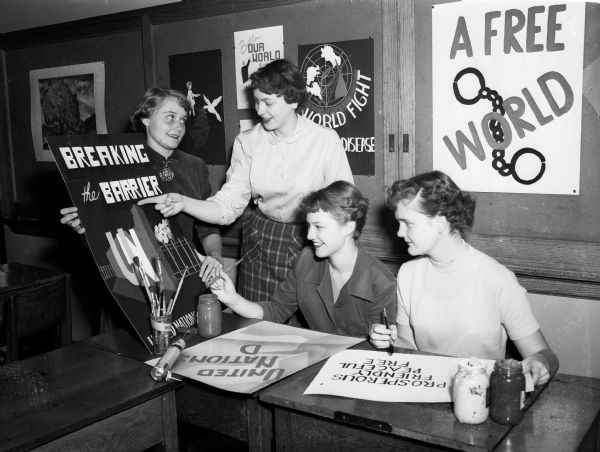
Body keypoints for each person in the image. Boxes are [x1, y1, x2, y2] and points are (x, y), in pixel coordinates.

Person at [138, 59, 353, 303]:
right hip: (263, 241)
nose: (260, 111)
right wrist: (184, 202)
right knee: (256, 323)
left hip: (313, 241)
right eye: (257, 101)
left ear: (293, 101)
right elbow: (227, 206)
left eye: (268, 102)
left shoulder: (325, 141)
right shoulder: (247, 142)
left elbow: (345, 208)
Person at [369, 171, 558, 386]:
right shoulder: (408, 273)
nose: (400, 233)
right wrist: (388, 339)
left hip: (482, 394)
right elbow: (408, 346)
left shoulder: (498, 279)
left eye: (407, 223)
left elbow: (547, 355)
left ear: (440, 222)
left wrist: (539, 361)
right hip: (426, 386)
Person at [60, 87, 224, 281]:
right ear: (146, 119)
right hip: (132, 277)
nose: (179, 127)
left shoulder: (195, 166)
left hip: (182, 273)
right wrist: (84, 226)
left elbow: (208, 228)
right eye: (170, 117)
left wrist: (215, 258)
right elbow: (102, 236)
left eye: (183, 120)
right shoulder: (116, 164)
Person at [207, 181, 396, 338]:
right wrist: (231, 299)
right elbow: (274, 311)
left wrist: (381, 339)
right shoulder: (306, 261)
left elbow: (384, 346)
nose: (310, 235)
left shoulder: (380, 281)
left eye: (319, 227)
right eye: (309, 226)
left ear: (348, 227)